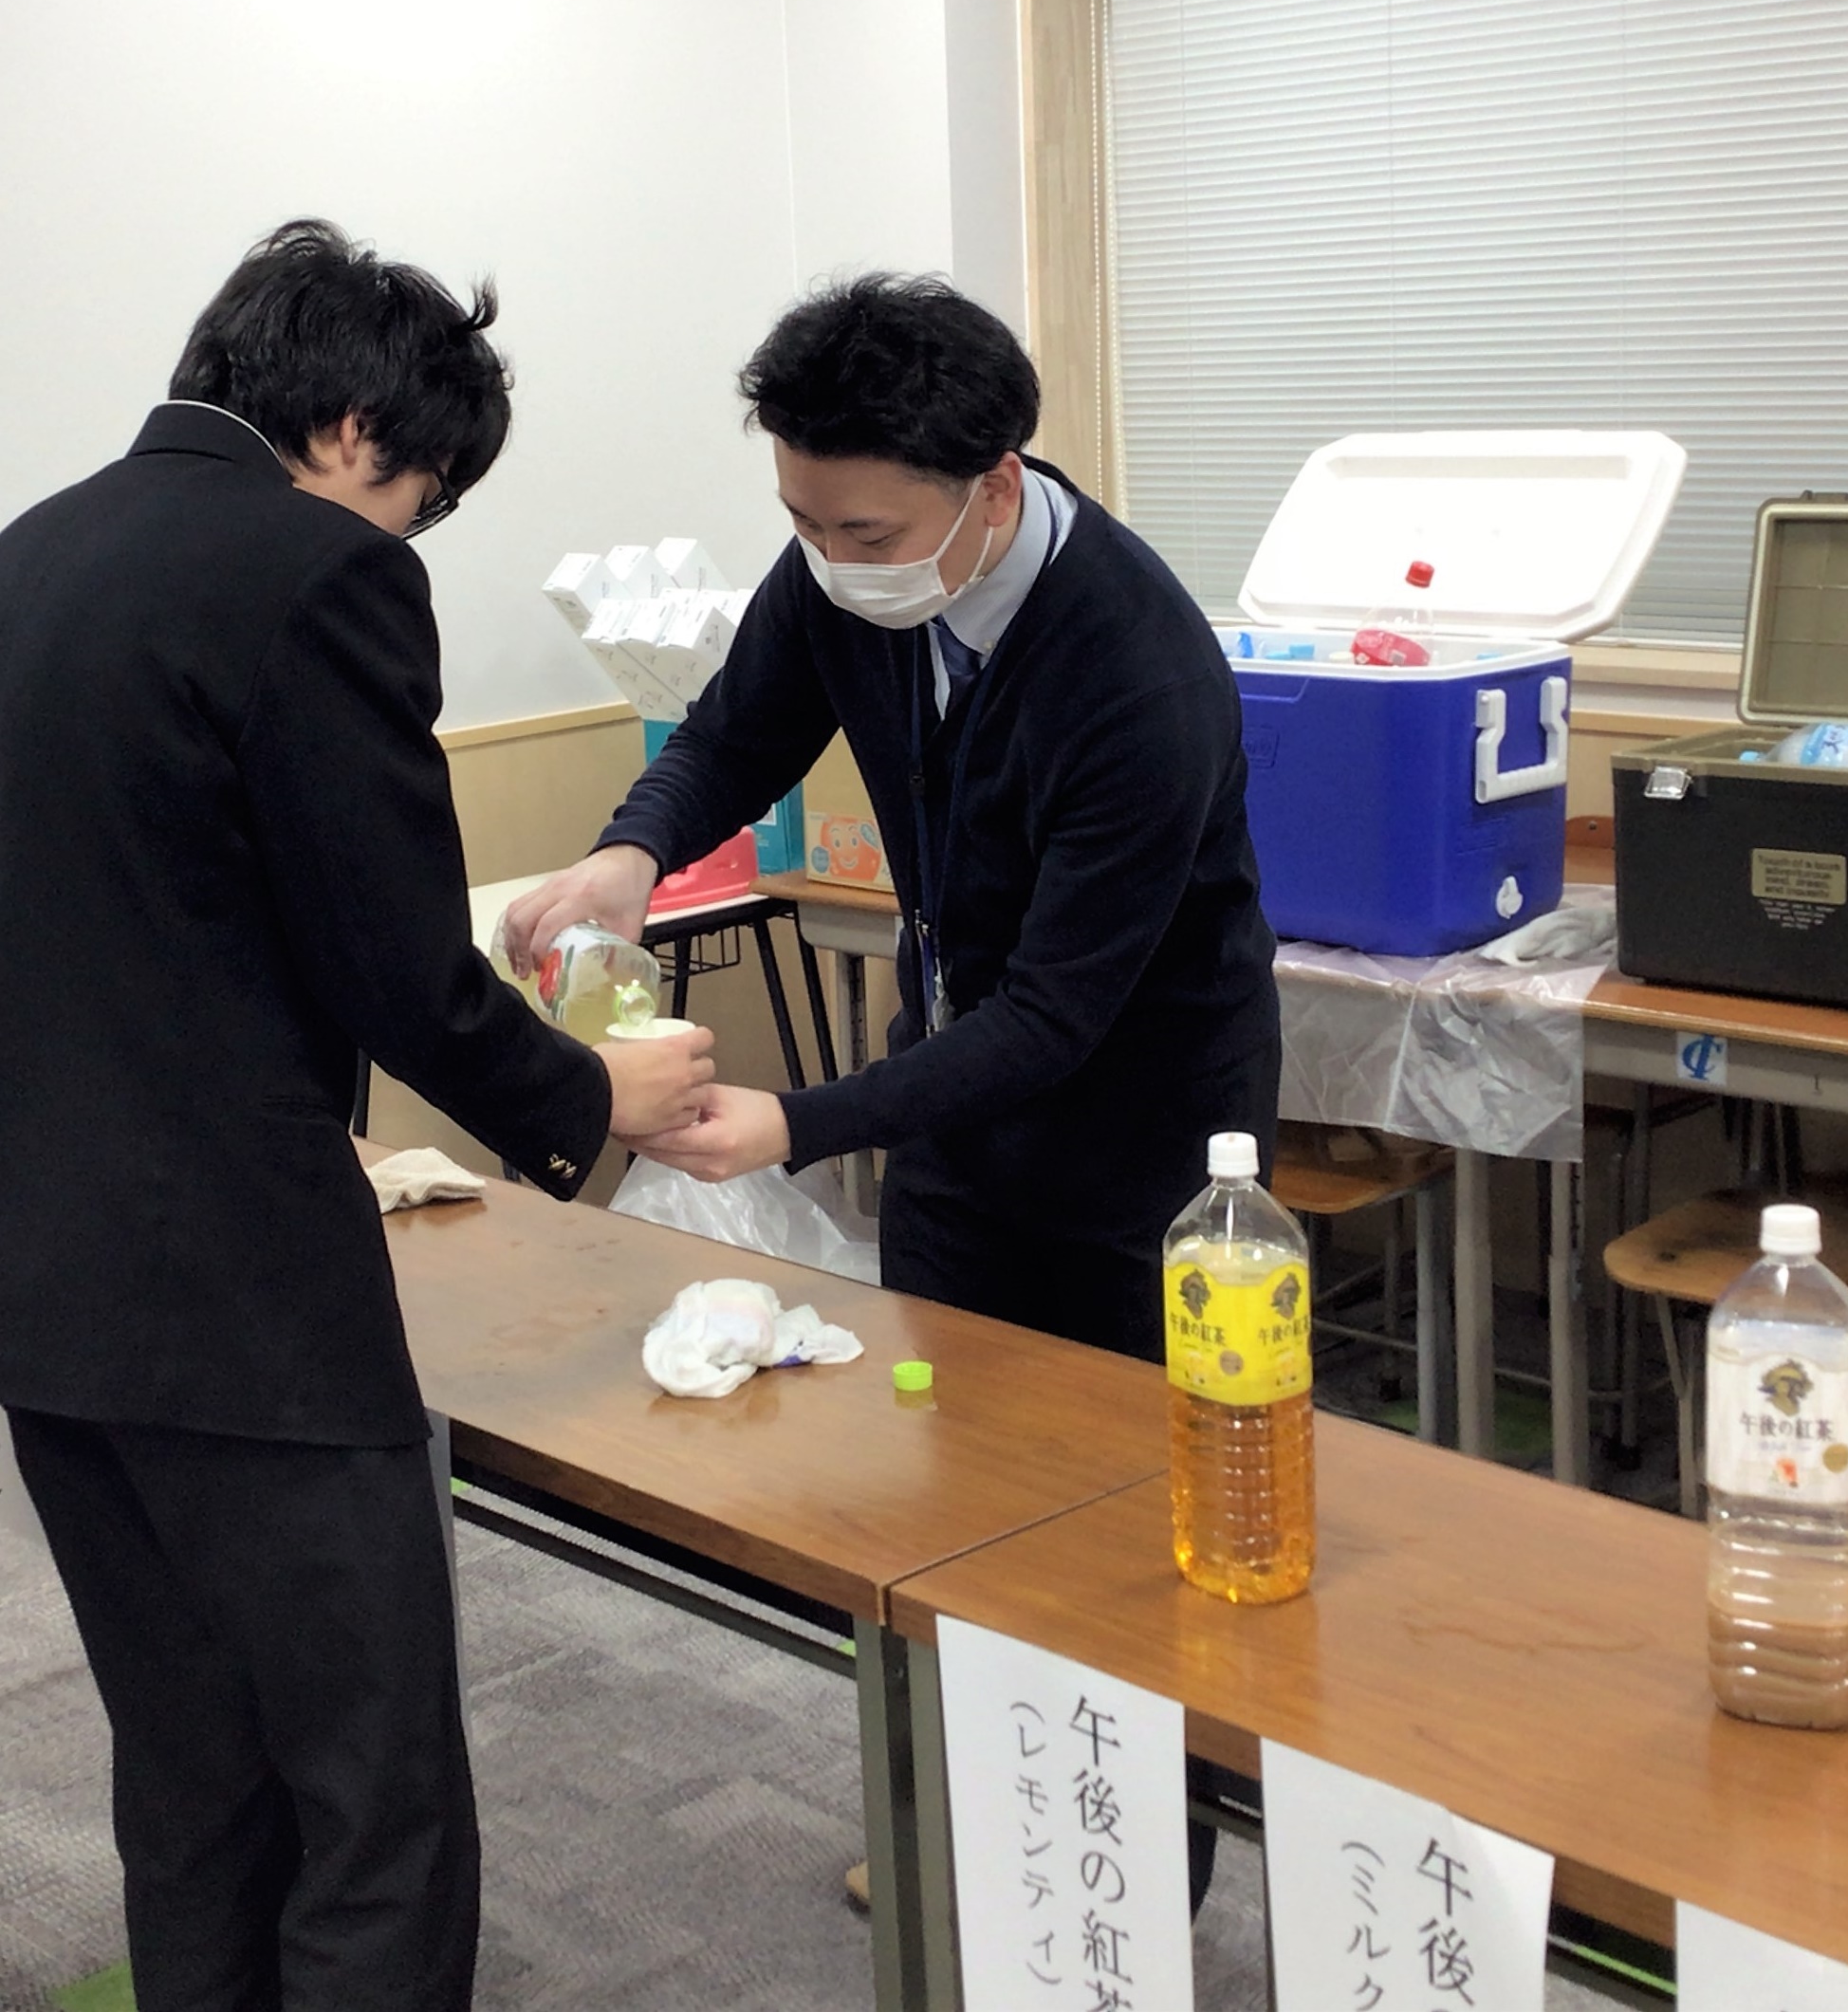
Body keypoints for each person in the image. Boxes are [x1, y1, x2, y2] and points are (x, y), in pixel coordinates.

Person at [0, 220, 713, 2009]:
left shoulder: (33, 550)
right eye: (426, 498)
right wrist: (589, 1095)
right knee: (368, 1791)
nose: (412, 536)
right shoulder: (318, 573)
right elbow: (396, 963)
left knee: (191, 1772)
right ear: (348, 427)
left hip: (42, 1278)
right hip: (238, 1301)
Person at [506, 273, 1282, 1365]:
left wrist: (793, 1124)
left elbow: (1053, 1017)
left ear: (995, 489)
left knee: (1118, 1449)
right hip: (952, 1101)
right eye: (803, 523)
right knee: (937, 1411)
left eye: (866, 535)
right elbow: (734, 738)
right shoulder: (848, 566)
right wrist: (632, 854)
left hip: (1140, 1141)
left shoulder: (1138, 677)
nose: (833, 562)